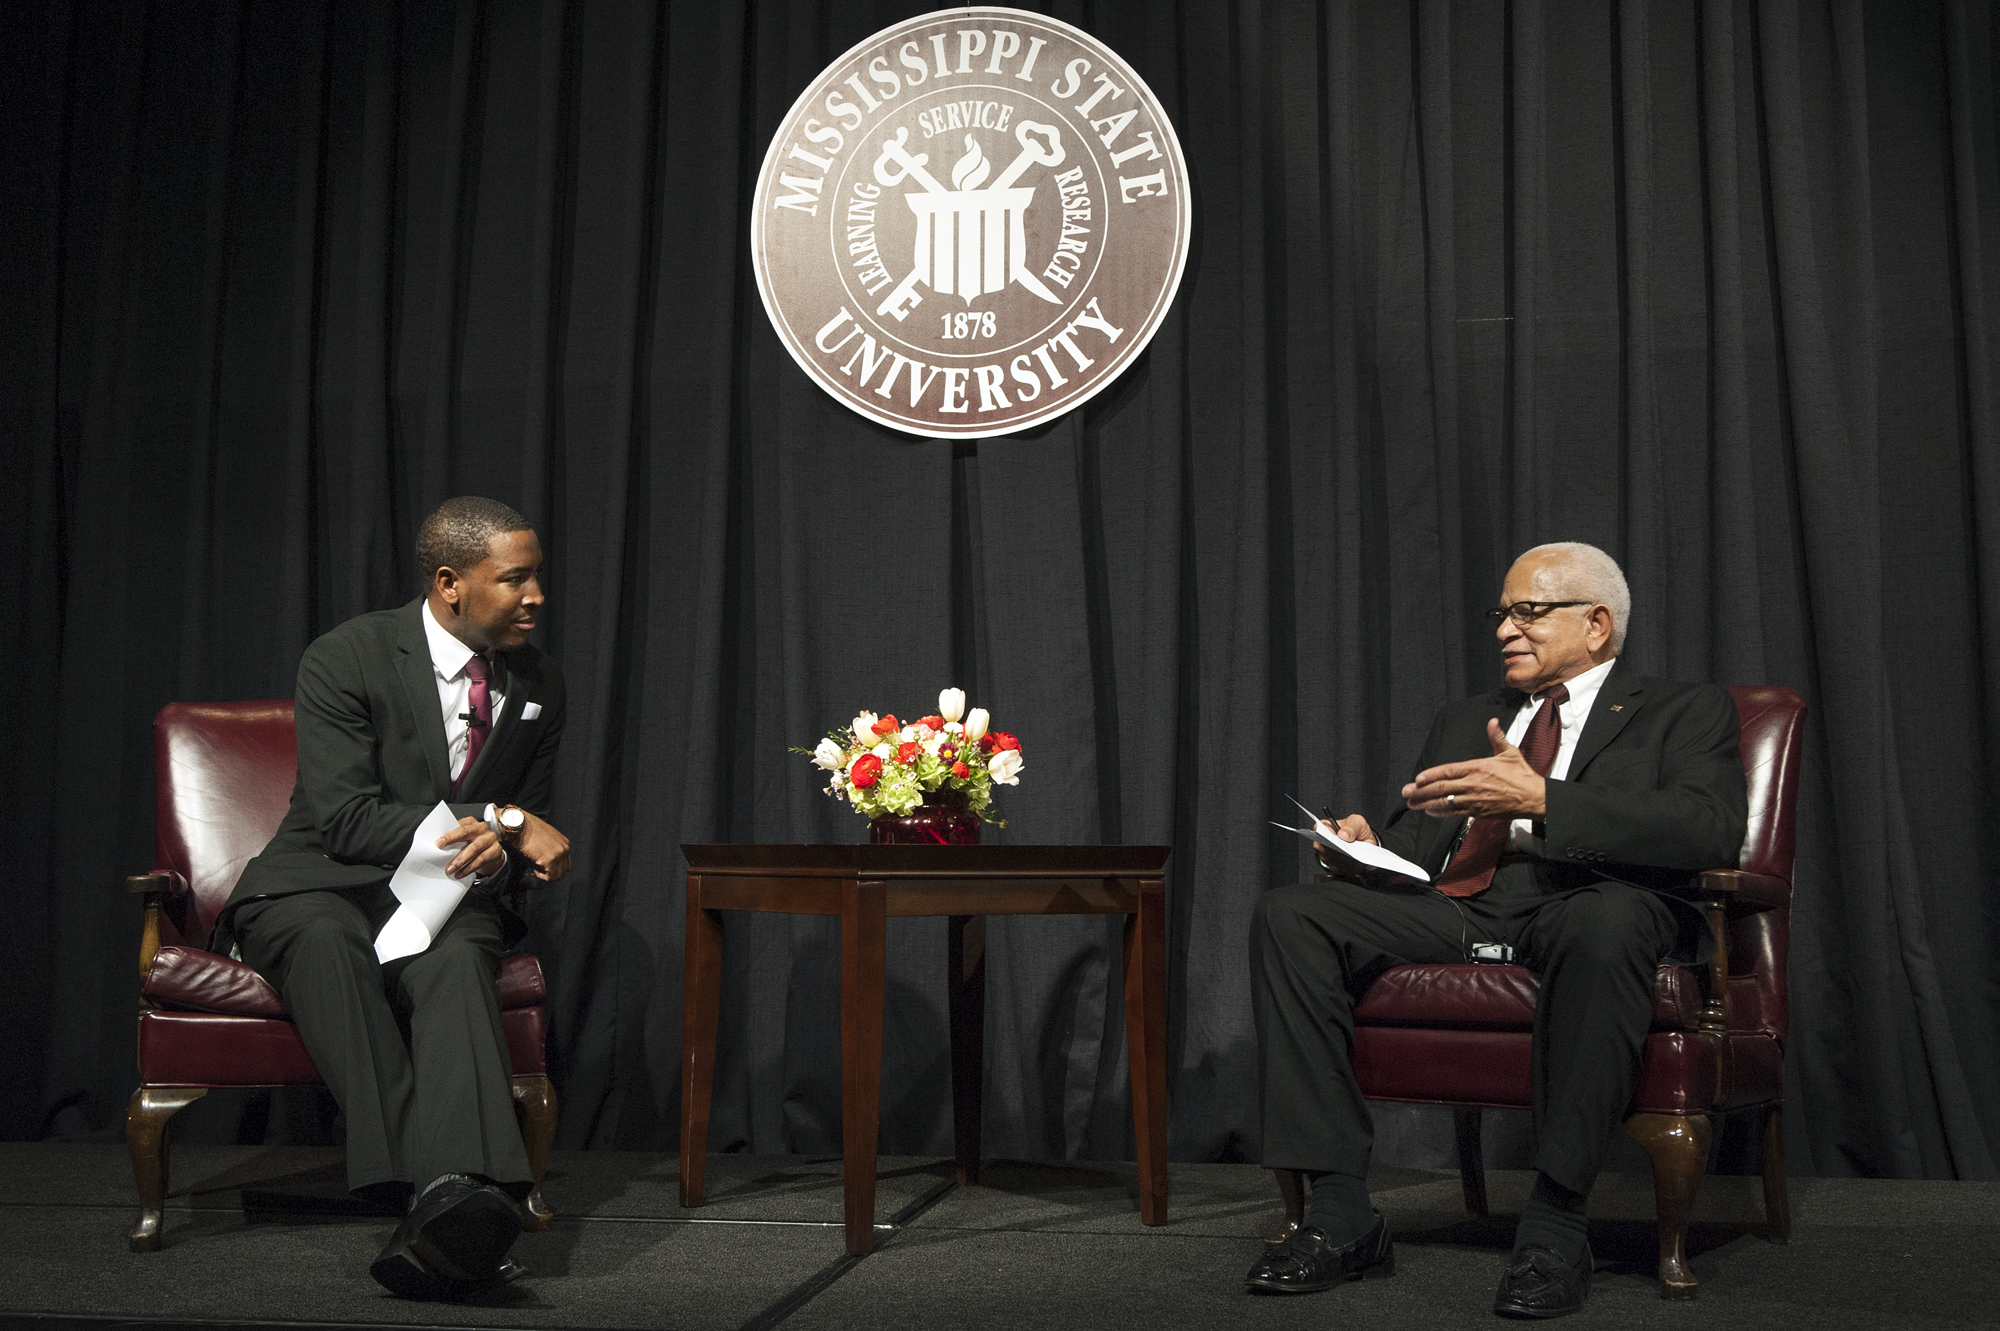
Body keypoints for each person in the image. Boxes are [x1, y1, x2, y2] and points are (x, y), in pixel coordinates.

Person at [1244, 542, 1746, 1319]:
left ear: (1598, 622)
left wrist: (1546, 798)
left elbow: (1707, 827)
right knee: (1292, 914)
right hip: (1468, 907)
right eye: (1502, 613)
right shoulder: (1464, 718)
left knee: (1604, 920)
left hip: (1593, 900)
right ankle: (1341, 1210)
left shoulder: (1684, 708)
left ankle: (1555, 1223)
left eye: (1530, 611)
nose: (1507, 629)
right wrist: (1363, 849)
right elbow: (1419, 851)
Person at [212, 496, 573, 1300]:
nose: (535, 595)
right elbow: (345, 818)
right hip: (316, 878)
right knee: (328, 943)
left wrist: (505, 850)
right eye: (514, 578)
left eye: (535, 576)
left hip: (444, 894)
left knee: (457, 958)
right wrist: (501, 819)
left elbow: (510, 843)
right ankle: (450, 1192)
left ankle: (442, 1202)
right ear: (450, 583)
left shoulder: (539, 681)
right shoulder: (348, 655)